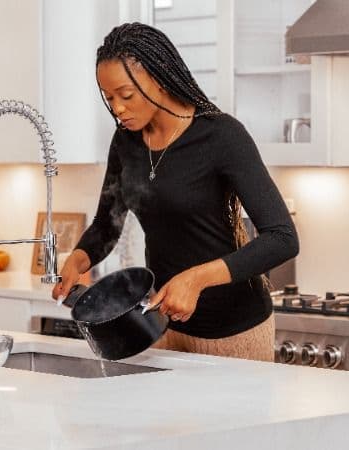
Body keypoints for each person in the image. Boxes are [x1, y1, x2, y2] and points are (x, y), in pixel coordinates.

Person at [51, 23, 299, 362]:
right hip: (163, 327)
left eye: (126, 95)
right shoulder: (126, 142)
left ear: (159, 78)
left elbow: (282, 238)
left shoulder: (221, 135)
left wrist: (196, 279)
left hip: (234, 330)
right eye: (109, 98)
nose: (118, 108)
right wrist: (78, 260)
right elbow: (107, 224)